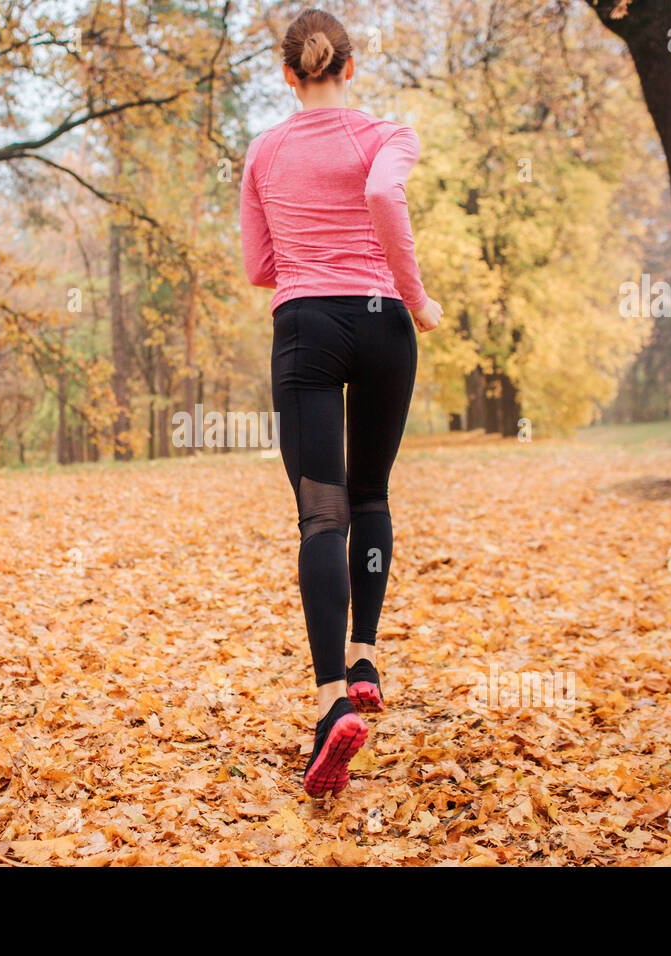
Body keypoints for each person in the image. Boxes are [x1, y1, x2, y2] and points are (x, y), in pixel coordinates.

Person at [239, 7, 443, 797]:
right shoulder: (388, 134)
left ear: (289, 75)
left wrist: (304, 250)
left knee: (322, 512)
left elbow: (260, 264)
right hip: (383, 321)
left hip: (306, 327)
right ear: (349, 68)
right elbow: (387, 199)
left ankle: (331, 706)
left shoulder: (265, 149)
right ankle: (365, 654)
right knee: (373, 494)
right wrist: (416, 299)